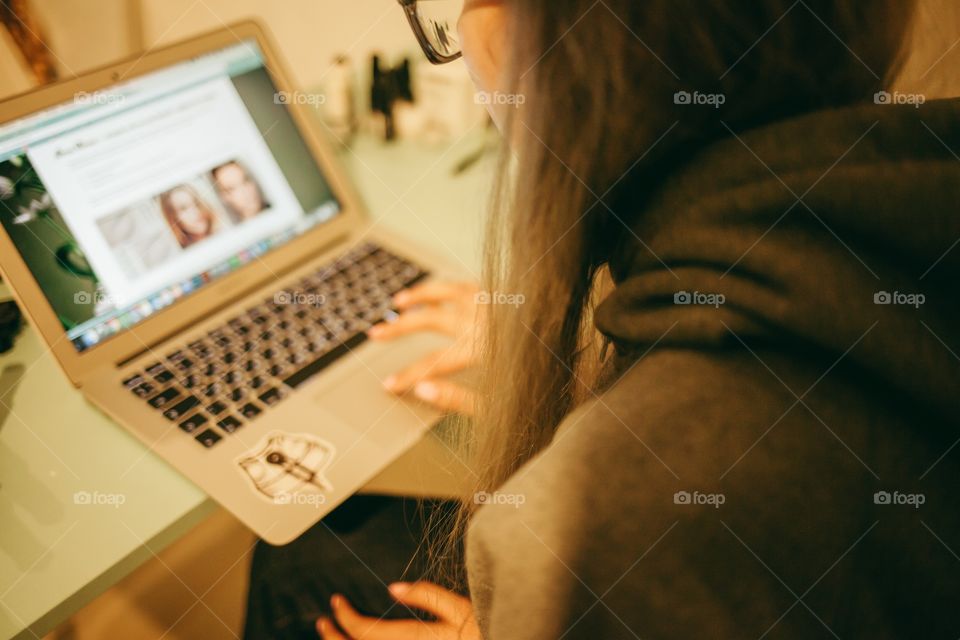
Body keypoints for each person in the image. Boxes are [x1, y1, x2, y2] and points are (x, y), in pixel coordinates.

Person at [246, 1, 960, 638]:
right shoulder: (911, 187)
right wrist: (585, 352)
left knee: (297, 561)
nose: (459, 43)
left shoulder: (605, 513)